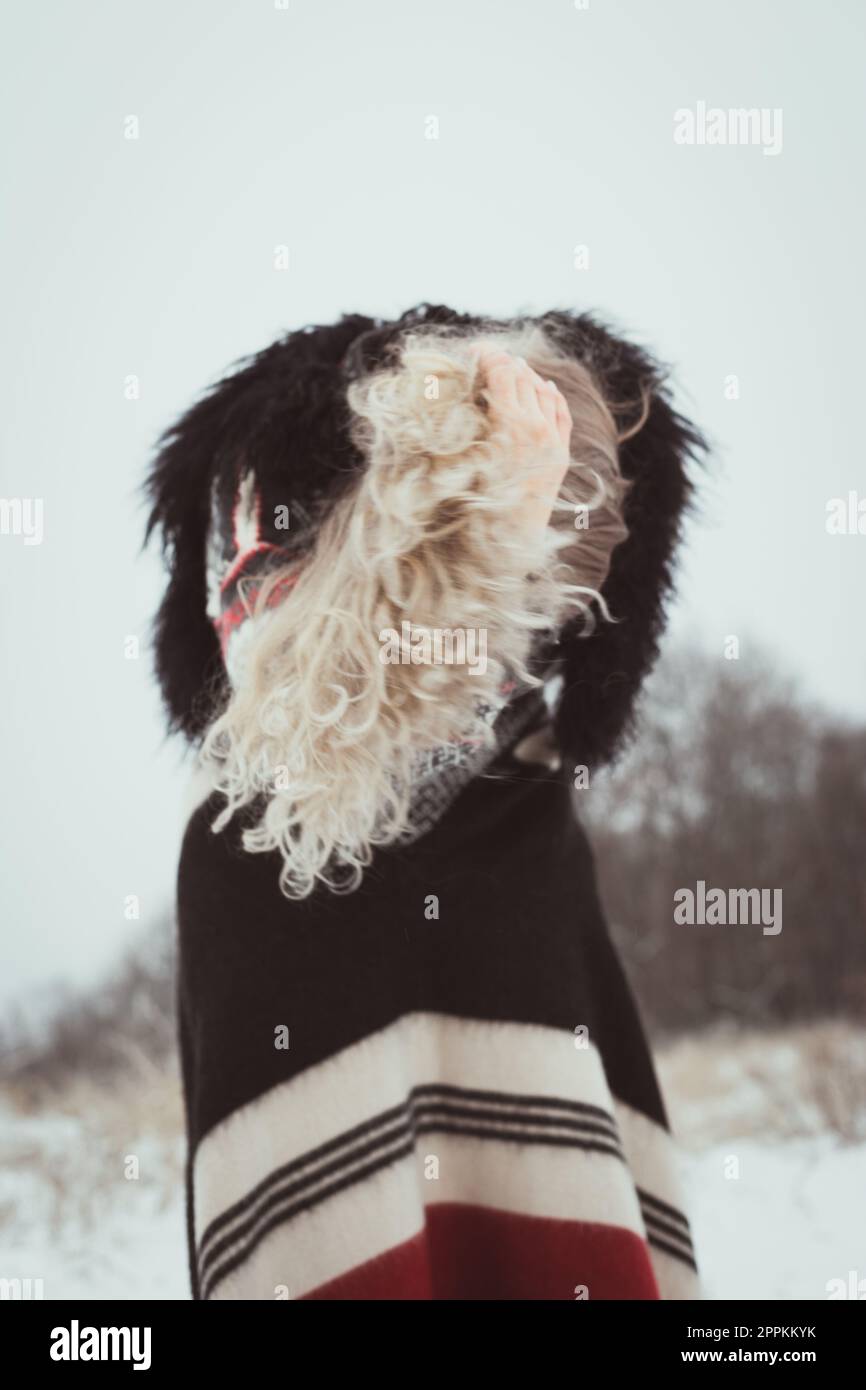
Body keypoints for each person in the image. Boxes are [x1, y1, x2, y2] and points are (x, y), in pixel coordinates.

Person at [147, 303, 704, 1300]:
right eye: (515, 545)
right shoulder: (250, 823)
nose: (537, 590)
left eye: (553, 568)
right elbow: (313, 694)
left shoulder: (523, 808)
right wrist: (486, 514)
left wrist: (516, 514)